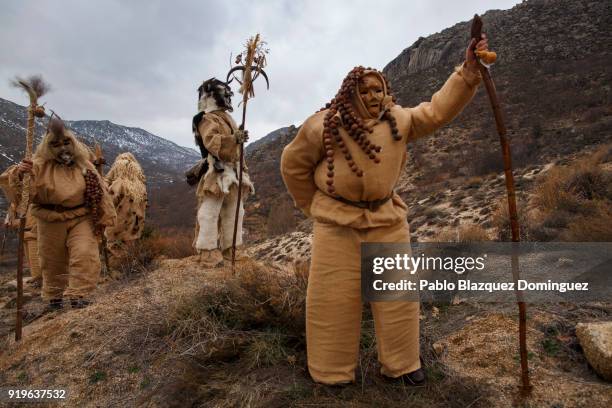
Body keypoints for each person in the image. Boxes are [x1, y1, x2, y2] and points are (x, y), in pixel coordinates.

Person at [281, 35, 489, 385]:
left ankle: (403, 365)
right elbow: (293, 165)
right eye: (365, 91)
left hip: (386, 219)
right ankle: (331, 374)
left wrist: (468, 72)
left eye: (378, 90)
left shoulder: (399, 119)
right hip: (337, 224)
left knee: (397, 301)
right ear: (350, 93)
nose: (373, 96)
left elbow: (437, 110)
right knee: (332, 301)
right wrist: (313, 203)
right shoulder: (322, 125)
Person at [9, 118, 116, 309]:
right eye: (56, 144)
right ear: (48, 146)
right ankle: (54, 297)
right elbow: (26, 194)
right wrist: (21, 174)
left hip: (81, 217)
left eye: (66, 143)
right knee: (52, 260)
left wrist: (104, 215)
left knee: (85, 253)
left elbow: (100, 190)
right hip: (50, 219)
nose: (62, 148)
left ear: (72, 143)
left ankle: (79, 295)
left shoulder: (83, 164)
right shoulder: (38, 165)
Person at [192, 77, 253, 267]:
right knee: (210, 211)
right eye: (224, 94)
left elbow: (232, 146)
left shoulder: (226, 118)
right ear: (213, 96)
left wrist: (237, 138)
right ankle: (207, 251)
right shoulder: (206, 118)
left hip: (233, 172)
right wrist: (233, 138)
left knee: (236, 211)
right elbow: (211, 141)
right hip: (216, 171)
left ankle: (231, 248)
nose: (227, 98)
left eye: (228, 94)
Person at [104, 152, 147, 264]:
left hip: (117, 225)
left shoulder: (118, 184)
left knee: (115, 251)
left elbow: (108, 203)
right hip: (135, 226)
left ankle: (117, 274)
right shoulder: (141, 186)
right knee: (130, 250)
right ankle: (130, 270)